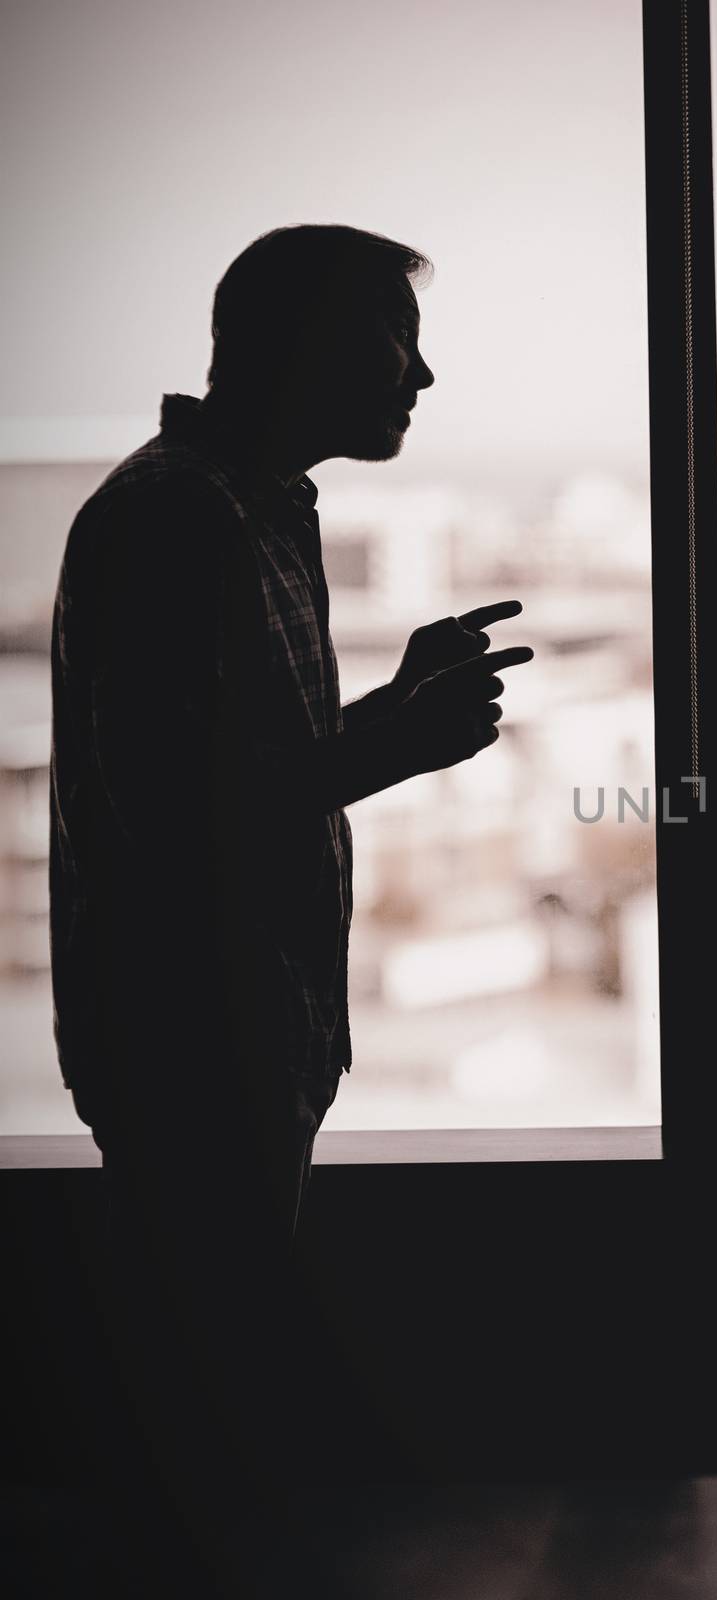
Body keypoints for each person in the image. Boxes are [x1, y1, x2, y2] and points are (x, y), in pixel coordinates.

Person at [48, 224, 534, 1482]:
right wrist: (395, 748)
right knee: (196, 1410)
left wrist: (386, 711)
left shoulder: (253, 511)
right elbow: (167, 811)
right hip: (192, 1026)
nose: (420, 379)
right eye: (397, 341)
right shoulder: (175, 522)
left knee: (205, 1375)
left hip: (249, 1017)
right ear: (301, 344)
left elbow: (236, 766)